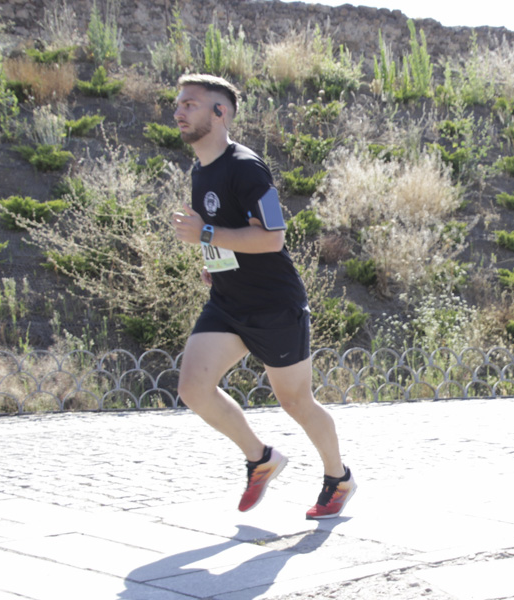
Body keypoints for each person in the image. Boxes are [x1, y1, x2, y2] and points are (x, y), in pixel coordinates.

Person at [169, 73, 356, 520]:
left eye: (190, 104)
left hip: (274, 306)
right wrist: (212, 259)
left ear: (220, 113)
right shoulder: (201, 169)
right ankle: (261, 458)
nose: (178, 112)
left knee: (295, 401)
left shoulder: (247, 167)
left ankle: (339, 477)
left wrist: (207, 233)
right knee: (193, 388)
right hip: (228, 302)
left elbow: (272, 238)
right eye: (177, 104)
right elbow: (224, 232)